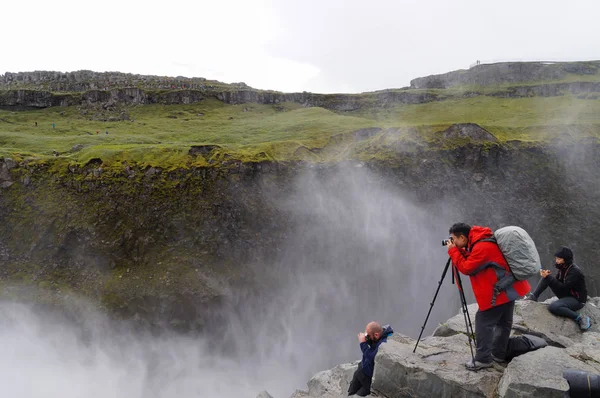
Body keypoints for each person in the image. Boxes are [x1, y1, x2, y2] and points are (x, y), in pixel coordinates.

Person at [446, 223, 531, 371]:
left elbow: (467, 268)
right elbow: (477, 261)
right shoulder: (482, 241)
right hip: (509, 288)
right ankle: (498, 353)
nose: (452, 242)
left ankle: (483, 359)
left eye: (454, 239)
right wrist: (459, 251)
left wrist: (453, 252)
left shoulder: (481, 247)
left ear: (462, 237)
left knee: (483, 322)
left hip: (498, 292)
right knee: (504, 322)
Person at [524, 247, 590, 330]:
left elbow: (563, 288)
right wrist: (548, 276)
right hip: (567, 294)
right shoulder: (563, 267)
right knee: (546, 278)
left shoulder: (574, 272)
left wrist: (550, 278)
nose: (556, 261)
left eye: (559, 259)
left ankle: (581, 318)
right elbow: (558, 282)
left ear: (565, 259)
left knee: (554, 307)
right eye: (556, 258)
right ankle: (534, 297)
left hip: (577, 299)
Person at [347, 322, 393, 397]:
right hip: (361, 371)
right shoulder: (378, 335)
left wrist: (363, 343)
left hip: (368, 380)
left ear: (376, 335)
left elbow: (372, 357)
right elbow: (372, 345)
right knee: (350, 393)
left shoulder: (384, 344)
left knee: (357, 396)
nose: (366, 336)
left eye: (368, 335)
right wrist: (367, 339)